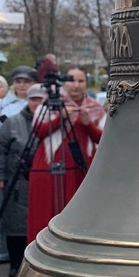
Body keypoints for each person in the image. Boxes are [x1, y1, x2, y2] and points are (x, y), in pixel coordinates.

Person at [27, 68, 105, 244]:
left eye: (81, 81)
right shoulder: (48, 105)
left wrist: (88, 125)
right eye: (72, 80)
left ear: (86, 83)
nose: (76, 85)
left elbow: (104, 138)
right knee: (45, 214)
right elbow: (38, 130)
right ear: (64, 83)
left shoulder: (95, 107)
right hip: (48, 169)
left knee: (79, 217)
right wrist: (59, 118)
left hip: (82, 171)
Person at [0, 85, 46, 277]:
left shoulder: (51, 123)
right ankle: (15, 262)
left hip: (41, 180)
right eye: (33, 99)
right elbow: (1, 149)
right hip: (16, 181)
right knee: (14, 222)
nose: (37, 103)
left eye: (40, 99)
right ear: (28, 100)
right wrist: (1, 175)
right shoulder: (13, 122)